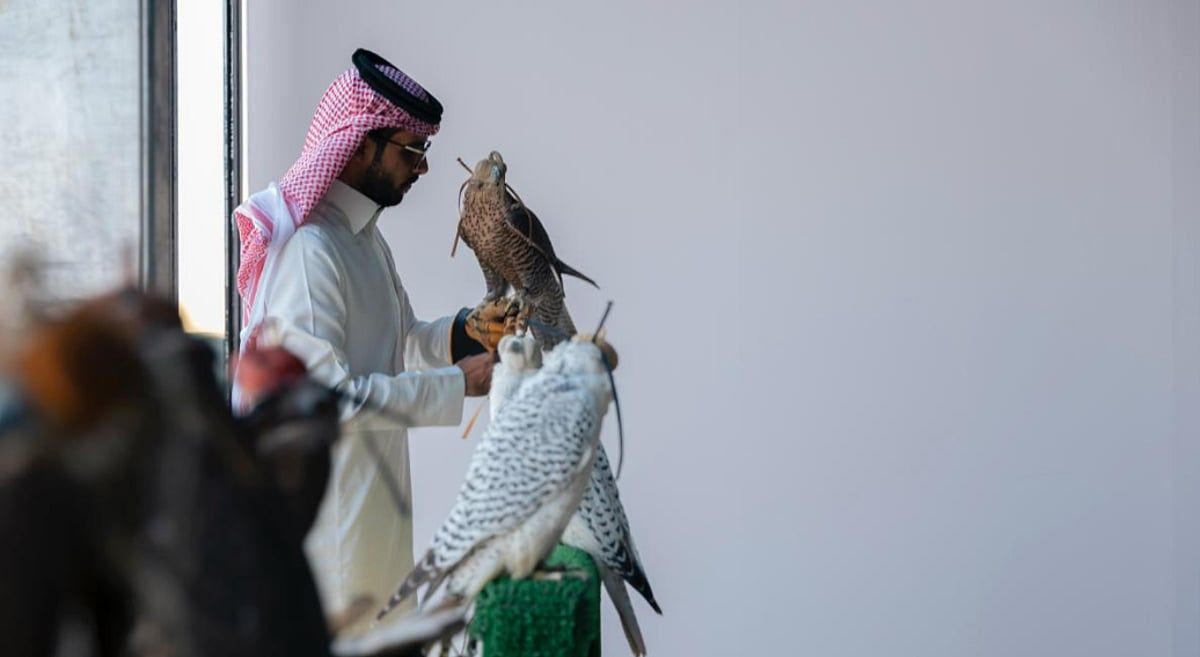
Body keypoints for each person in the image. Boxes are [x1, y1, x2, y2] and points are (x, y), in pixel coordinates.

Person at [231, 48, 506, 636]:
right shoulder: (311, 251)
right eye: (412, 151)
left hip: (377, 506)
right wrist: (459, 384)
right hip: (333, 525)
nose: (422, 169)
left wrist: (466, 330)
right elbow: (327, 399)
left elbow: (403, 342)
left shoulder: (365, 240)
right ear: (359, 145)